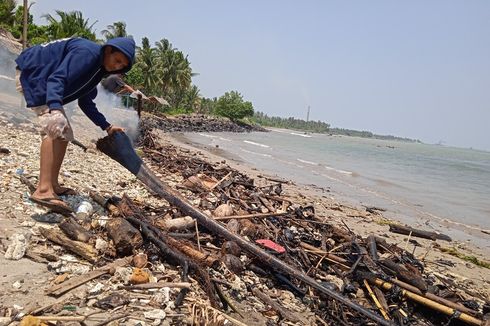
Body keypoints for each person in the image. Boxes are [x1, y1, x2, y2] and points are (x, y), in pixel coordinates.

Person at [15, 37, 135, 214]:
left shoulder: (97, 70)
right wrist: (55, 109)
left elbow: (85, 102)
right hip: (35, 75)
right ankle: (43, 190)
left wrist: (107, 126)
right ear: (108, 50)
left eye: (121, 66)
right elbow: (57, 79)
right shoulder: (88, 55)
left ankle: (53, 184)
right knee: (54, 129)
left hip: (44, 78)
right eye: (117, 60)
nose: (117, 67)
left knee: (65, 135)